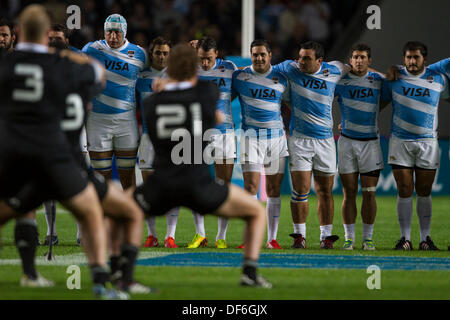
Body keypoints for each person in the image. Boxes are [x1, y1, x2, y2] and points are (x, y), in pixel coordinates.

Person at [0, 5, 125, 299]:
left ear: (17, 33)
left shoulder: (8, 64)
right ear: (46, 36)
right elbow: (96, 76)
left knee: (21, 209)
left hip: (15, 152)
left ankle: (30, 273)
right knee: (93, 210)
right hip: (57, 152)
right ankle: (100, 280)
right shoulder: (65, 65)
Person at [133, 43, 271, 288]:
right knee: (257, 211)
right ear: (194, 67)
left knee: (120, 212)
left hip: (163, 183)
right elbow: (216, 116)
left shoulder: (152, 102)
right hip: (198, 184)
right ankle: (249, 274)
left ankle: (121, 275)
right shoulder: (206, 92)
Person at [82, 14, 147, 263]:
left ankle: (129, 223)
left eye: (117, 32)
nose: (113, 36)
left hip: (127, 121)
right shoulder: (92, 49)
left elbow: (155, 74)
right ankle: (101, 224)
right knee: (101, 177)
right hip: (97, 119)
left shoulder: (139, 54)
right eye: (109, 31)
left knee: (128, 175)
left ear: (125, 32)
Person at [273, 41, 350, 249]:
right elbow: (260, 68)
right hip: (299, 140)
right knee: (300, 190)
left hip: (325, 141)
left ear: (320, 61)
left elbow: (356, 68)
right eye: (300, 57)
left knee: (325, 191)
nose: (301, 62)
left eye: (307, 58)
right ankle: (300, 236)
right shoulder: (290, 68)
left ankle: (326, 237)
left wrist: (385, 73)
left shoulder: (334, 70)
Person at [382, 41, 449, 250]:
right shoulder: (394, 78)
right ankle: (405, 239)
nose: (412, 61)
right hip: (400, 141)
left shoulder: (438, 78)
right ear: (403, 59)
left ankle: (425, 239)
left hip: (428, 141)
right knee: (404, 189)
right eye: (408, 57)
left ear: (425, 60)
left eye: (416, 57)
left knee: (424, 190)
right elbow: (378, 103)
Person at [232, 39, 289, 249]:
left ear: (269, 55)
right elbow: (223, 98)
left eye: (262, 54)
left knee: (274, 190)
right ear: (251, 55)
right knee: (250, 188)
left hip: (276, 139)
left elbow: (295, 103)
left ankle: (271, 239)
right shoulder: (240, 76)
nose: (258, 58)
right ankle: (249, 238)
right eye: (255, 54)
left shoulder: (282, 77)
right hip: (250, 139)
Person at [334, 43, 389, 250]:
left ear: (369, 60)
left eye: (363, 57)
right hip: (346, 142)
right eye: (355, 57)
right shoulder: (341, 81)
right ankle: (349, 238)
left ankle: (368, 239)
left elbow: (388, 96)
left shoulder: (378, 81)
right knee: (349, 193)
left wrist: (372, 112)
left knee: (369, 193)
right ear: (350, 60)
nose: (358, 60)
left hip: (371, 144)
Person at [189, 36, 238, 249]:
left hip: (224, 133)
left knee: (223, 185)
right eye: (201, 59)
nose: (205, 63)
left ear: (216, 54)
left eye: (209, 59)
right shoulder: (190, 68)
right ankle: (200, 234)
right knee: (194, 184)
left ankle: (221, 237)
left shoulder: (229, 68)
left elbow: (238, 91)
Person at [136, 36, 180, 249]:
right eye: (158, 53)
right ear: (151, 54)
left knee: (173, 187)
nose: (162, 57)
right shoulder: (140, 75)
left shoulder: (177, 76)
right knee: (148, 187)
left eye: (165, 53)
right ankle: (151, 235)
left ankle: (169, 236)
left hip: (172, 139)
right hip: (147, 137)